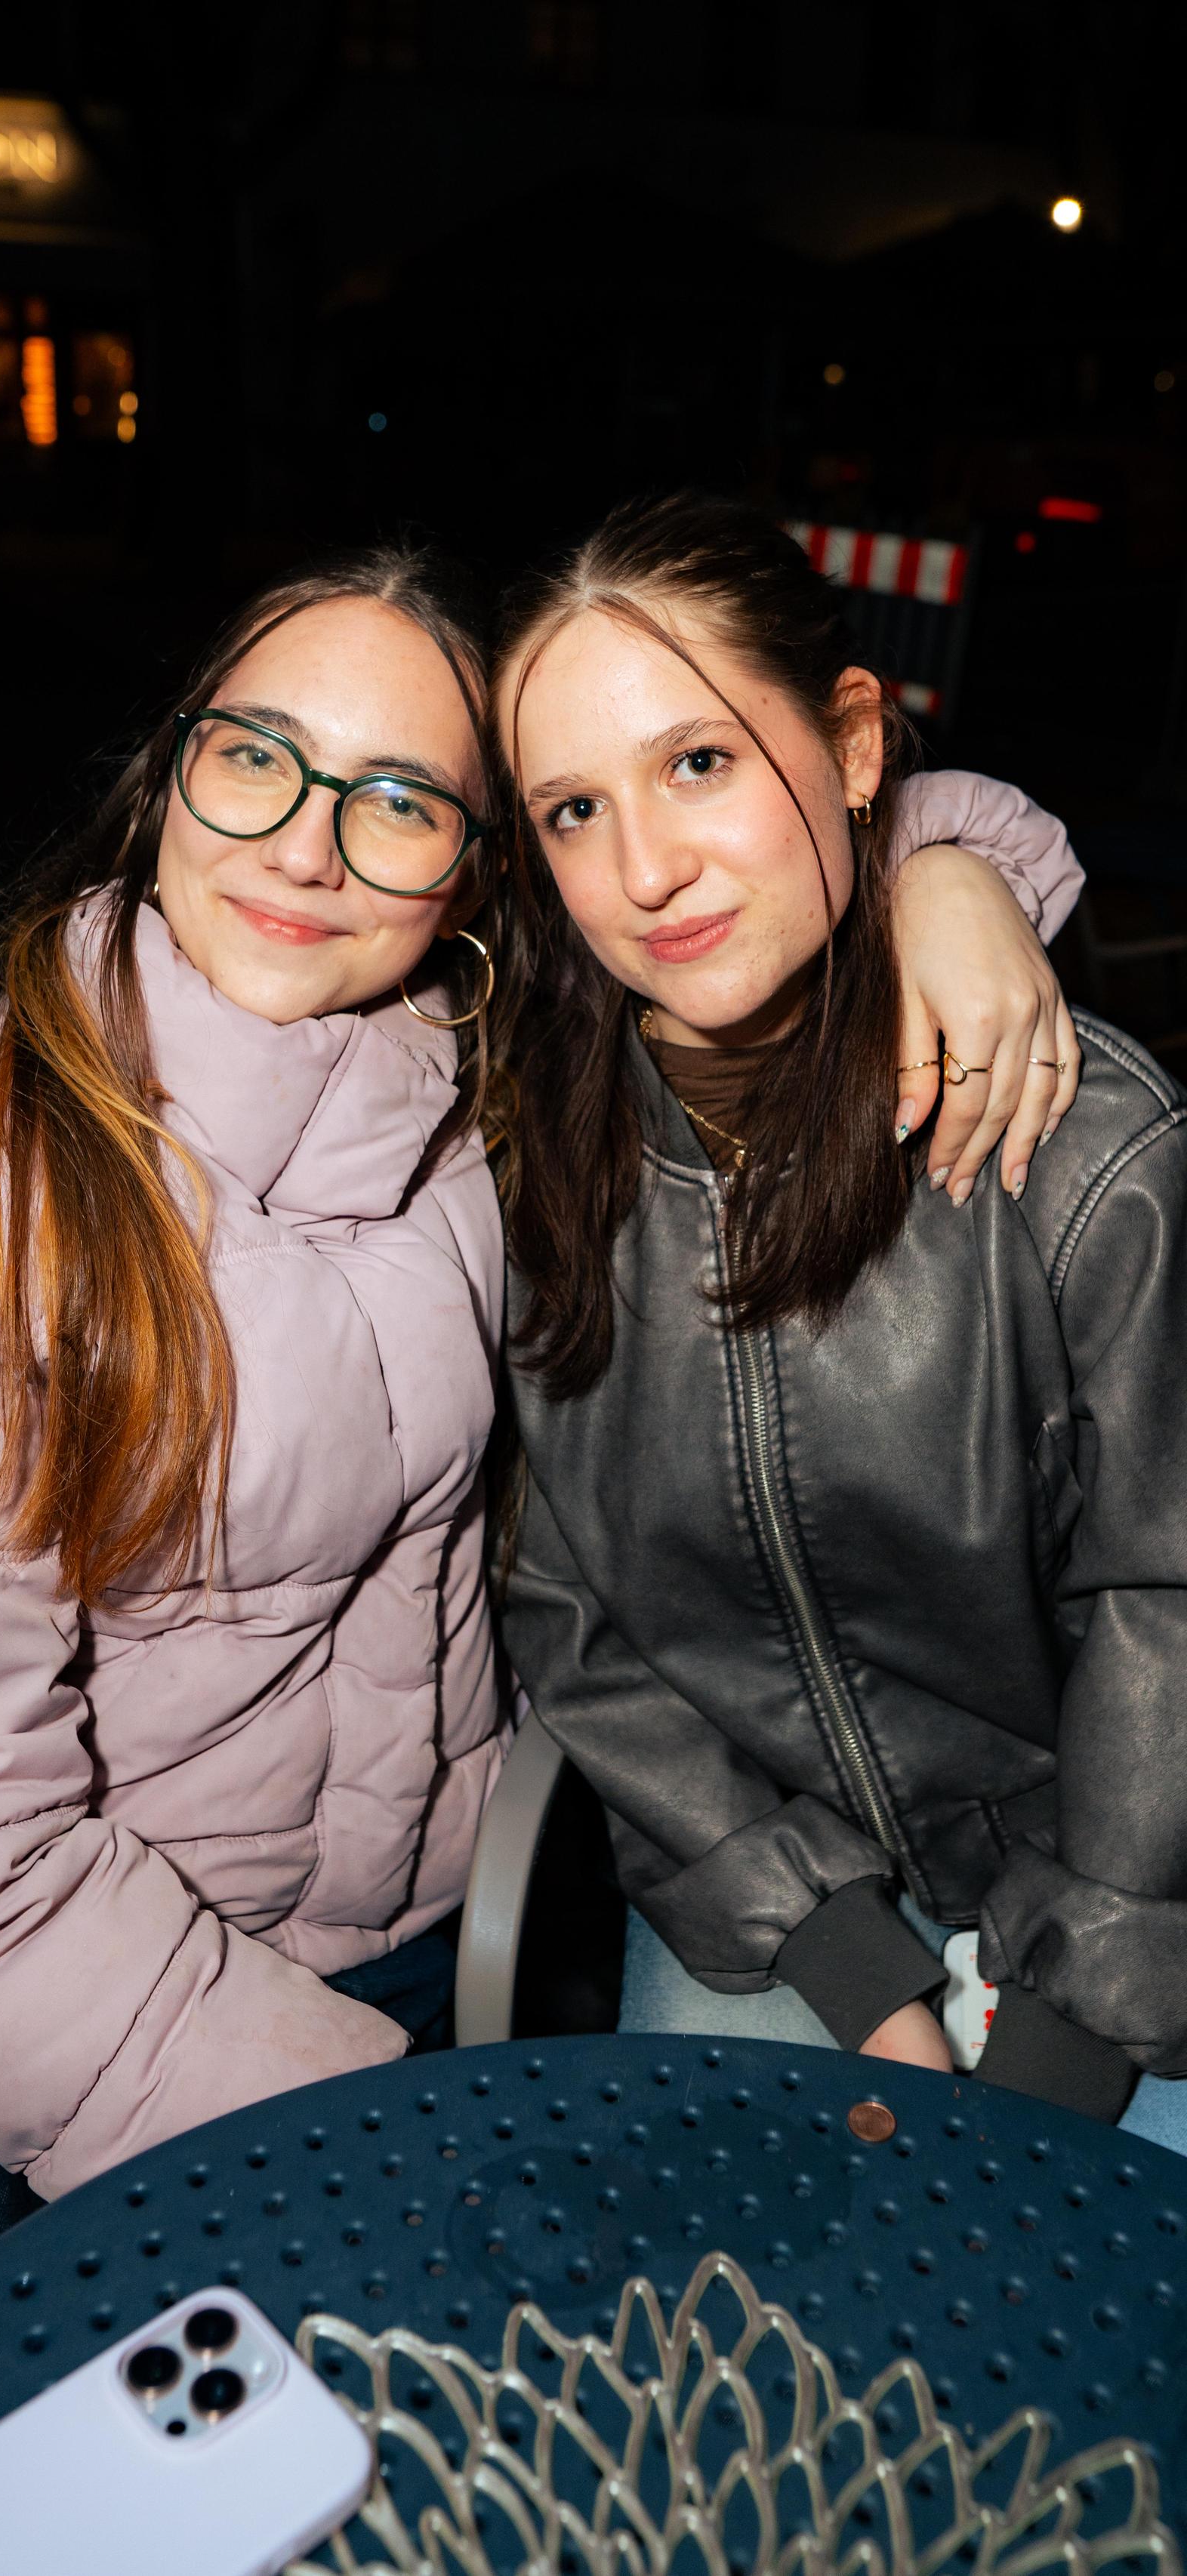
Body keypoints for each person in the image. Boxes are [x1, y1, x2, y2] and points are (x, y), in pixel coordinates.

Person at [0, 538, 1080, 2453]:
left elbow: (769, 826)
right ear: (166, 774)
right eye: (255, 758)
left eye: (393, 801)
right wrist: (361, 2120)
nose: (303, 845)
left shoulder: (477, 1078)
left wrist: (962, 880)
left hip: (390, 1944)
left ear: (473, 875)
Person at [496, 491, 1186, 2149]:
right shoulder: (538, 1176)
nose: (645, 868)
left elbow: (1166, 1604)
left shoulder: (1085, 1149)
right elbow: (565, 1615)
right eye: (574, 808)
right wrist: (844, 1959)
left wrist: (1062, 2044)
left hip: (1123, 1919)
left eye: (701, 762)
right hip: (763, 1904)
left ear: (854, 744)